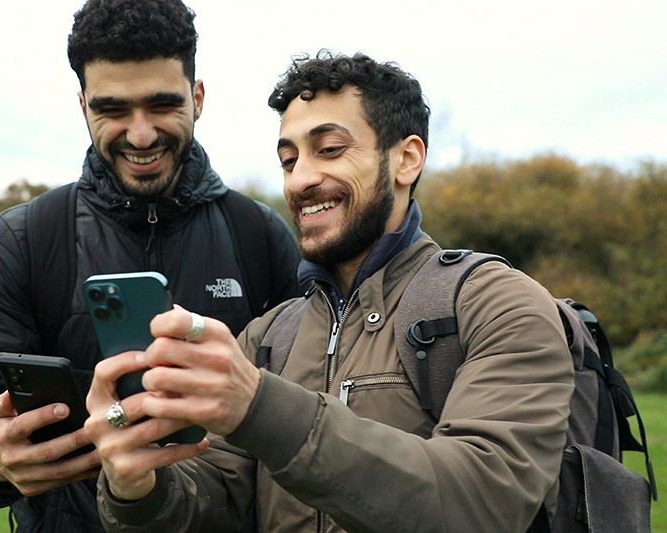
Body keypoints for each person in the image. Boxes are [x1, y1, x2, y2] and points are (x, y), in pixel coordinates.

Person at [84, 50, 575, 532]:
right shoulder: (269, 335)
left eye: (330, 150)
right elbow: (218, 501)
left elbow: (482, 502)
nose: (301, 180)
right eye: (288, 159)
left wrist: (259, 407)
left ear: (406, 159)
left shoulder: (497, 304)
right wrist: (138, 489)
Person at [0, 0, 302, 531]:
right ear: (82, 105)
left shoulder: (259, 235)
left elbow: (307, 416)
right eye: (112, 110)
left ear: (197, 98)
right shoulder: (24, 239)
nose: (142, 134)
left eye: (161, 104)